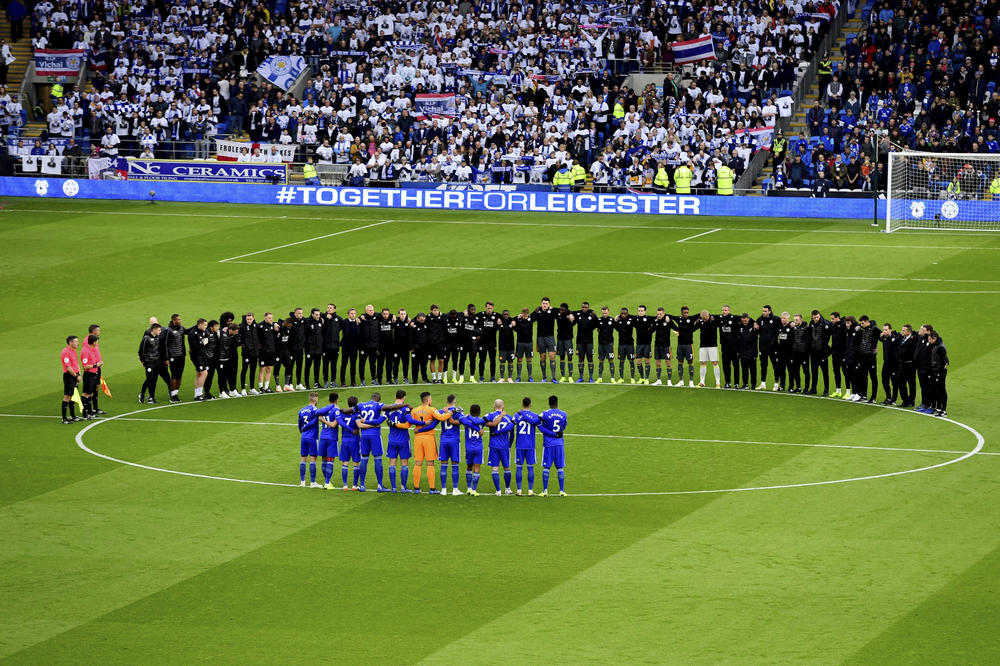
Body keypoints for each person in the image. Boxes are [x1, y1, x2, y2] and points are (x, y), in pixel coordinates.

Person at [355, 391, 406, 492]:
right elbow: (388, 409)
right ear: (379, 399)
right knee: (377, 459)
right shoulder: (378, 405)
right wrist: (375, 425)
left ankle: (362, 485)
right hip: (375, 435)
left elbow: (355, 414)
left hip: (364, 435)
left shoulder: (361, 405)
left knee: (364, 459)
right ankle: (380, 485)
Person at [408, 391, 455, 494]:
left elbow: (409, 423)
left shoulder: (414, 410)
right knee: (430, 463)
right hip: (429, 438)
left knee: (418, 463)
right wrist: (450, 412)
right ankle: (432, 489)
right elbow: (442, 418)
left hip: (418, 439)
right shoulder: (432, 409)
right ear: (428, 400)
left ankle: (416, 488)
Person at [297, 391, 335, 488]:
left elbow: (299, 424)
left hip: (303, 437)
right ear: (316, 399)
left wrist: (303, 431)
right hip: (312, 437)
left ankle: (302, 482)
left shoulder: (301, 410)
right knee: (313, 459)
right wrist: (333, 405)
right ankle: (312, 482)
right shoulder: (315, 410)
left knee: (303, 458)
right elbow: (323, 411)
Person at [538, 395, 568, 497]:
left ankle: (545, 491)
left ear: (549, 403)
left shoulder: (545, 413)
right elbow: (563, 427)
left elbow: (538, 422)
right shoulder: (564, 414)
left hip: (548, 444)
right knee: (560, 467)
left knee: (546, 467)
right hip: (559, 443)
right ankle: (562, 491)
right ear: (557, 403)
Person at [385, 390, 414, 492]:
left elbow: (384, 420)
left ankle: (393, 488)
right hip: (403, 439)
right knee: (404, 464)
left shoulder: (388, 409)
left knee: (392, 464)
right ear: (404, 397)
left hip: (392, 439)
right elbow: (410, 421)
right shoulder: (405, 408)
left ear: (395, 396)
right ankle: (403, 487)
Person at [485, 398, 515, 495]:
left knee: (495, 468)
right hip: (505, 446)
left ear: (494, 407)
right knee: (507, 468)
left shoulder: (490, 415)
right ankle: (507, 488)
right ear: (503, 407)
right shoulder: (509, 417)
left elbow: (485, 421)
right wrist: (509, 446)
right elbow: (512, 435)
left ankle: (498, 490)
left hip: (493, 445)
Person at [436, 394, 464, 495]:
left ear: (446, 401)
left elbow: (436, 420)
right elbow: (461, 422)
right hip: (454, 440)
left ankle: (443, 489)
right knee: (455, 465)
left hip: (443, 440)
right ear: (454, 401)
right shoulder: (459, 411)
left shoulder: (441, 411)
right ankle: (455, 489)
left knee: (443, 464)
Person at [513, 397, 540, 496]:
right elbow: (538, 423)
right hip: (530, 445)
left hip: (519, 445)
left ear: (522, 404)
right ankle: (530, 490)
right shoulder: (534, 416)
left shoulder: (517, 415)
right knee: (530, 467)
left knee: (519, 467)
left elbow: (511, 425)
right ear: (530, 404)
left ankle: (519, 490)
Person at [458, 404, 486, 496]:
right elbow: (480, 422)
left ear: (470, 411)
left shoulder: (466, 420)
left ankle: (469, 488)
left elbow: (462, 421)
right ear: (479, 411)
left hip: (468, 448)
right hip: (478, 448)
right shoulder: (482, 421)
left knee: (469, 467)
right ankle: (474, 489)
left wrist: (466, 415)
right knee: (477, 468)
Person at [337, 396, 363, 490]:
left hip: (344, 440)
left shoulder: (342, 414)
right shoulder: (357, 414)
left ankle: (345, 485)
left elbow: (340, 422)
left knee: (345, 462)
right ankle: (354, 485)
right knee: (356, 462)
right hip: (354, 440)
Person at [316, 393, 341, 489]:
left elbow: (319, 416)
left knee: (324, 460)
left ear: (329, 400)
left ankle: (327, 481)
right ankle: (327, 482)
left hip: (322, 437)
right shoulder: (336, 410)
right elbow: (334, 424)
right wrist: (324, 421)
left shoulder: (323, 410)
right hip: (332, 438)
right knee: (330, 460)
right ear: (337, 400)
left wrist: (322, 420)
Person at [854, 315, 879, 403]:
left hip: (871, 356)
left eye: (862, 323)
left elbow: (882, 337)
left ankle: (873, 397)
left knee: (873, 377)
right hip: (863, 356)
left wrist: (876, 347)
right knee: (863, 376)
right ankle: (864, 396)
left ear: (866, 321)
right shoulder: (864, 328)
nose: (861, 324)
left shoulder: (874, 328)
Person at [670, 306, 697, 387]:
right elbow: (670, 317)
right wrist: (667, 319)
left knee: (690, 363)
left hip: (689, 345)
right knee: (680, 362)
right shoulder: (679, 319)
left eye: (687, 312)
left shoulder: (691, 319)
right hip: (680, 346)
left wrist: (700, 319)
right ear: (681, 313)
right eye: (684, 313)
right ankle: (681, 381)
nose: (686, 314)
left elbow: (700, 315)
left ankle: (691, 381)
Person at [532, 297, 558, 382]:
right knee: (542, 356)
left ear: (549, 304)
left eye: (546, 303)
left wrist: (553, 308)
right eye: (543, 303)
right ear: (541, 304)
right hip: (540, 338)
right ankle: (544, 377)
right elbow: (530, 319)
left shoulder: (553, 311)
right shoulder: (537, 311)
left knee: (552, 356)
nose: (545, 305)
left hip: (550, 337)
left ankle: (553, 377)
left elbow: (563, 311)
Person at [572, 302, 598, 383]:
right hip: (579, 340)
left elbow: (597, 323)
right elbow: (570, 313)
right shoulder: (578, 314)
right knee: (581, 358)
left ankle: (591, 377)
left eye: (586, 307)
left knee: (590, 357)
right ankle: (581, 377)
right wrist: (571, 316)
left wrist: (590, 329)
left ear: (588, 307)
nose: (584, 308)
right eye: (583, 307)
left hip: (589, 340)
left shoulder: (592, 314)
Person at [756, 306, 780, 390]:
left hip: (773, 347)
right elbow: (757, 331)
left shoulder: (776, 319)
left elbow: (784, 325)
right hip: (762, 347)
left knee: (775, 365)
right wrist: (756, 329)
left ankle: (776, 383)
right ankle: (763, 383)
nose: (763, 312)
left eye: (765, 311)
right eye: (763, 311)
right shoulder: (759, 320)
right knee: (763, 365)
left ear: (769, 311)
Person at [139, 323, 164, 403]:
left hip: (157, 362)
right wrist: (143, 361)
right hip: (149, 362)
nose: (160, 331)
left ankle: (151, 397)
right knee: (149, 378)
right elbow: (141, 350)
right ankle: (142, 394)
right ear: (154, 330)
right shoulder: (146, 338)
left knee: (154, 379)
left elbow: (159, 350)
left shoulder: (158, 338)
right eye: (159, 330)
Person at [79, 333, 103, 418]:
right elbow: (85, 366)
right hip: (88, 375)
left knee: (91, 393)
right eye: (96, 341)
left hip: (93, 374)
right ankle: (85, 413)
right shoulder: (85, 351)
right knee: (86, 394)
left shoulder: (91, 350)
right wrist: (96, 365)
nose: (97, 343)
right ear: (93, 342)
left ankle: (90, 412)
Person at [807, 310, 831, 395]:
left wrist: (826, 350)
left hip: (822, 352)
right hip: (813, 352)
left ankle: (826, 390)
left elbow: (830, 335)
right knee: (814, 371)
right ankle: (813, 389)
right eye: (814, 317)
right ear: (812, 317)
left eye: (817, 317)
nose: (816, 319)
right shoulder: (811, 323)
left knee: (825, 372)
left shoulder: (826, 324)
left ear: (819, 315)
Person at [695, 310, 721, 387]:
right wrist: (696, 322)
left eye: (705, 318)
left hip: (713, 345)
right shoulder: (700, 321)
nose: (704, 320)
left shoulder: (714, 319)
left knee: (715, 362)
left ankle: (718, 382)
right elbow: (693, 329)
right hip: (703, 345)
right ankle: (702, 382)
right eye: (702, 318)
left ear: (708, 315)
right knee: (702, 362)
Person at [164, 313, 186, 402]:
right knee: (174, 375)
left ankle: (176, 394)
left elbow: (189, 331)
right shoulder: (168, 330)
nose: (180, 321)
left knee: (179, 375)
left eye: (180, 319)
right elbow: (165, 345)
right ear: (174, 321)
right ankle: (172, 395)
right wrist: (166, 358)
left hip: (181, 356)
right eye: (178, 320)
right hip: (173, 356)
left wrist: (199, 326)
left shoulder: (182, 328)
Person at [926, 330, 948, 417]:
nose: (928, 341)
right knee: (937, 391)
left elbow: (946, 362)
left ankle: (944, 410)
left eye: (930, 339)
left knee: (942, 391)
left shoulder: (940, 347)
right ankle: (938, 408)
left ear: (934, 339)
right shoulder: (936, 345)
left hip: (940, 373)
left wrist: (940, 373)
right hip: (935, 371)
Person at [717, 305, 740, 388]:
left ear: (729, 311)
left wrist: (755, 323)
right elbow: (709, 316)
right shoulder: (719, 318)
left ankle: (736, 383)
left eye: (725, 310)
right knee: (726, 366)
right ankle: (728, 382)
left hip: (734, 347)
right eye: (723, 310)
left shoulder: (734, 318)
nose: (724, 312)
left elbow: (745, 318)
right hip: (724, 347)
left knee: (736, 366)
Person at [188, 318, 210, 400]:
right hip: (196, 356)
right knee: (204, 373)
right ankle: (199, 394)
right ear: (200, 325)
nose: (206, 327)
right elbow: (194, 347)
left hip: (202, 355)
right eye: (204, 325)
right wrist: (203, 342)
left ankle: (196, 395)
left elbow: (207, 334)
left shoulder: (204, 330)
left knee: (199, 374)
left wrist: (205, 339)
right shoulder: (193, 333)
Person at [60, 335, 81, 423]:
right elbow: (68, 367)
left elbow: (76, 363)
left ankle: (73, 416)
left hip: (75, 376)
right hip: (69, 376)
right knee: (67, 396)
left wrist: (79, 374)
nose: (78, 343)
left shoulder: (74, 351)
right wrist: (76, 376)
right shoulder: (66, 352)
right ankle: (64, 418)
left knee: (73, 396)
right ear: (70, 342)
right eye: (76, 341)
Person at [879, 323, 901, 405]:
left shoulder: (895, 337)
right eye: (883, 330)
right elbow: (876, 330)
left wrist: (894, 334)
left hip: (894, 364)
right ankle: (888, 397)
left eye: (886, 330)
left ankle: (893, 399)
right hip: (886, 363)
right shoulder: (884, 338)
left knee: (894, 382)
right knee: (884, 381)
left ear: (890, 330)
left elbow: (900, 335)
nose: (884, 331)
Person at [613, 307, 636, 383]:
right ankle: (621, 378)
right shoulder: (618, 320)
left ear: (627, 313)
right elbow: (614, 326)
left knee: (631, 361)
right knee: (621, 361)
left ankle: (632, 378)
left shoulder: (631, 318)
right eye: (622, 313)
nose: (623, 315)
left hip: (630, 344)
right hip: (621, 344)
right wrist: (615, 319)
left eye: (625, 313)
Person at [358, 304, 379, 386]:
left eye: (372, 310)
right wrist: (360, 317)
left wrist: (393, 316)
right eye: (370, 310)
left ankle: (374, 379)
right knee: (361, 364)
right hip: (364, 346)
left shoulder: (377, 316)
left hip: (374, 346)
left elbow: (386, 314)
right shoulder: (361, 319)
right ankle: (362, 380)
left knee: (373, 363)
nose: (372, 311)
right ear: (366, 311)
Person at [897, 324, 917, 408]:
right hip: (902, 364)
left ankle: (911, 401)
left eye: (903, 330)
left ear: (909, 332)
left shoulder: (914, 340)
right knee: (901, 383)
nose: (902, 332)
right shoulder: (902, 338)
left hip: (910, 365)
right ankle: (905, 400)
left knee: (911, 384)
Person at [239, 312, 260, 395]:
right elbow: (238, 335)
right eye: (247, 319)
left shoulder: (255, 326)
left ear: (253, 318)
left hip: (255, 353)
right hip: (246, 353)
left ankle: (252, 388)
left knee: (253, 370)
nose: (249, 321)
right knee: (244, 370)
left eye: (250, 319)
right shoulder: (242, 326)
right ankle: (243, 389)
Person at [595, 306, 617, 383]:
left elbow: (618, 328)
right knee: (601, 360)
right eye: (603, 313)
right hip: (601, 344)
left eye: (605, 313)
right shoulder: (599, 320)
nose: (604, 314)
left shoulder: (612, 320)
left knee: (611, 360)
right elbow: (597, 329)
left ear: (608, 312)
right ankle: (600, 378)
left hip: (609, 344)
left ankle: (612, 378)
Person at [632, 305, 654, 384]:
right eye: (639, 311)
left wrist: (652, 329)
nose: (640, 312)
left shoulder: (649, 318)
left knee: (647, 361)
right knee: (638, 361)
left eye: (641, 311)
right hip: (639, 344)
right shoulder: (635, 319)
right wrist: (618, 316)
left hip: (647, 344)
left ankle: (647, 378)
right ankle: (642, 377)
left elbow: (659, 319)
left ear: (645, 311)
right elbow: (626, 316)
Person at [321, 304, 341, 388]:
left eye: (330, 308)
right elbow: (317, 314)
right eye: (328, 307)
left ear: (334, 309)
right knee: (325, 364)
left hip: (335, 346)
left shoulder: (339, 319)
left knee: (334, 365)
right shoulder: (322, 317)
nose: (328, 309)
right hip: (325, 346)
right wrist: (326, 317)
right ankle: (326, 381)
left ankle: (333, 381)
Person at [303, 308, 324, 389]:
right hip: (309, 348)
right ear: (312, 314)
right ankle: (307, 384)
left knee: (317, 366)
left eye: (319, 314)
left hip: (318, 348)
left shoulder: (320, 321)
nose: (318, 316)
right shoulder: (307, 321)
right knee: (308, 366)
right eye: (316, 315)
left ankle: (316, 383)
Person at [256, 312, 277, 393]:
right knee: (262, 369)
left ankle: (267, 387)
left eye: (271, 318)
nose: (271, 319)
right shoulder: (260, 326)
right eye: (269, 318)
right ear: (265, 318)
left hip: (271, 351)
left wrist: (275, 323)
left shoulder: (272, 325)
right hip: (263, 351)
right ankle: (261, 388)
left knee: (269, 368)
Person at [339, 308, 360, 387]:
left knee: (353, 365)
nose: (353, 315)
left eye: (354, 313)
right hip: (346, 347)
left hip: (354, 347)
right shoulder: (344, 322)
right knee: (344, 364)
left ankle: (353, 381)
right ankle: (343, 382)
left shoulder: (358, 322)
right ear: (348, 314)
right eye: (351, 313)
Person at [218, 322, 240, 398]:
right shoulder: (222, 334)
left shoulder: (231, 335)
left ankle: (232, 390)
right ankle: (221, 391)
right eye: (236, 331)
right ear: (231, 330)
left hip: (228, 358)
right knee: (222, 375)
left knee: (231, 374)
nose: (237, 333)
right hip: (221, 358)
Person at [841, 316, 860, 401]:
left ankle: (859, 393)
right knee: (851, 375)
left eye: (848, 323)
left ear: (852, 323)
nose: (847, 325)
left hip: (855, 358)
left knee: (856, 376)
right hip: (849, 357)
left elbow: (858, 346)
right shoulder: (847, 331)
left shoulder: (857, 331)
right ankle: (853, 392)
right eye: (846, 323)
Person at [790, 314, 810, 393]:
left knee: (806, 372)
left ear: (801, 320)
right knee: (796, 371)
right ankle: (798, 387)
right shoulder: (794, 328)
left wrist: (806, 353)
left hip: (804, 354)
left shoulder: (806, 328)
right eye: (794, 320)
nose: (795, 321)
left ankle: (806, 388)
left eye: (797, 320)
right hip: (796, 353)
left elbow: (808, 342)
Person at [556, 302, 576, 382]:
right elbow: (552, 309)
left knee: (570, 356)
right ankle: (563, 376)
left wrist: (570, 313)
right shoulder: (558, 313)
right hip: (560, 339)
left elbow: (579, 312)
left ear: (566, 310)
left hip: (568, 339)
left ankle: (570, 376)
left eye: (562, 309)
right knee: (561, 356)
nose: (561, 310)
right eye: (560, 309)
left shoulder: (570, 315)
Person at [737, 313, 758, 389]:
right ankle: (745, 384)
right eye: (743, 320)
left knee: (753, 370)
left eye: (746, 320)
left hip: (752, 352)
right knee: (744, 370)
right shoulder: (739, 326)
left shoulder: (754, 326)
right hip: (742, 352)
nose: (744, 322)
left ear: (748, 319)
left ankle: (753, 385)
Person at [513, 307, 534, 382]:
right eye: (523, 315)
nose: (525, 317)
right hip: (520, 343)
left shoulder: (531, 319)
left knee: (529, 359)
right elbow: (511, 320)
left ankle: (530, 377)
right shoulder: (518, 319)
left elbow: (535, 314)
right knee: (519, 359)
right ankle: (518, 377)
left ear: (528, 314)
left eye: (526, 315)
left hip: (529, 343)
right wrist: (517, 317)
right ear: (521, 314)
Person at [374, 307, 395, 385]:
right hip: (380, 346)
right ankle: (379, 380)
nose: (386, 315)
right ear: (382, 314)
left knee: (389, 364)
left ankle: (389, 379)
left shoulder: (392, 320)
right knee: (380, 364)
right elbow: (373, 313)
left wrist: (393, 315)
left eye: (387, 314)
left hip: (390, 346)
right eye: (384, 314)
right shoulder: (379, 319)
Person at [391, 308, 411, 384]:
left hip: (405, 348)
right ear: (398, 314)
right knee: (396, 363)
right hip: (396, 348)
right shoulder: (395, 321)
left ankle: (405, 378)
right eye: (401, 314)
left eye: (404, 314)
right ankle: (395, 378)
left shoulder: (409, 322)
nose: (403, 315)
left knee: (406, 363)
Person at [829, 312, 846, 397]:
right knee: (836, 372)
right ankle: (838, 390)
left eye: (832, 319)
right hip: (835, 353)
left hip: (842, 353)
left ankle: (848, 392)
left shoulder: (843, 325)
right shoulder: (833, 325)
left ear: (837, 318)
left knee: (845, 372)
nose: (831, 320)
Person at [775, 312, 793, 391]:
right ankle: (782, 386)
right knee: (781, 370)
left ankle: (791, 386)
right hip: (781, 353)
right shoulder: (780, 327)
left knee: (790, 370)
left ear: (788, 318)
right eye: (782, 318)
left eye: (784, 318)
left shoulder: (792, 327)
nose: (782, 320)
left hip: (789, 353)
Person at [497, 309, 516, 383]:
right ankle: (502, 378)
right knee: (502, 361)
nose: (506, 315)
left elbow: (517, 327)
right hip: (502, 346)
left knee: (510, 361)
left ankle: (510, 378)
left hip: (511, 346)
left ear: (509, 314)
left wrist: (514, 322)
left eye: (507, 314)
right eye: (504, 314)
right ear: (502, 315)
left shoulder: (512, 320)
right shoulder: (499, 321)